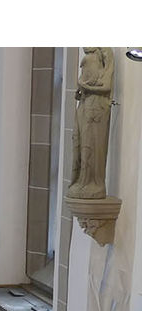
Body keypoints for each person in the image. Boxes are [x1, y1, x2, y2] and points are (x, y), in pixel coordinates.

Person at [67, 47, 114, 200]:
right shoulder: (89, 55)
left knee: (91, 145)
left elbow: (106, 86)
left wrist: (86, 86)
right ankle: (81, 180)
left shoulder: (103, 52)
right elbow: (83, 82)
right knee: (78, 142)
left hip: (96, 108)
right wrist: (81, 90)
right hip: (85, 103)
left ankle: (92, 183)